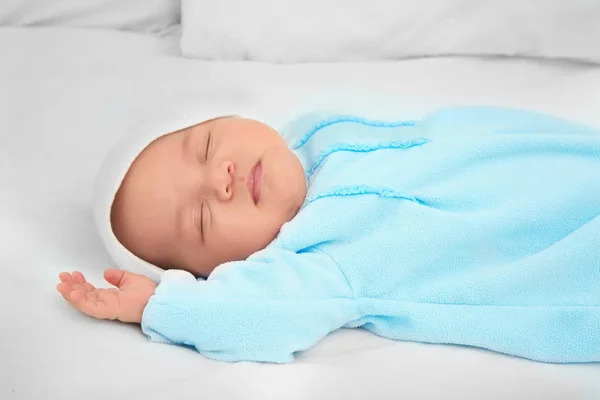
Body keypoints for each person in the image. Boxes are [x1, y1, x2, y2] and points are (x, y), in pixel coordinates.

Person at [56, 106, 600, 363]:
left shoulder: (322, 134)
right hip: (560, 256)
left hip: (555, 164)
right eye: (201, 219)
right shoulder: (309, 263)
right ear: (217, 270)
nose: (220, 179)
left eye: (205, 147)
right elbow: (253, 318)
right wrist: (159, 305)